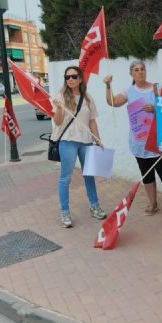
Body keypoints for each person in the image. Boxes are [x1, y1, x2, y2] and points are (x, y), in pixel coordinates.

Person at [103, 61, 162, 215]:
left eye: (142, 69)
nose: (140, 72)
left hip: (157, 141)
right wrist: (108, 85)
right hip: (139, 142)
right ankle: (153, 203)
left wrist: (155, 108)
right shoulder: (129, 91)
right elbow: (113, 102)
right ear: (131, 74)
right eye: (136, 70)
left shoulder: (157, 88)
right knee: (146, 174)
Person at [52, 66, 106, 228]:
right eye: (67, 77)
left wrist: (98, 140)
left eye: (74, 76)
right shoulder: (61, 96)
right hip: (68, 141)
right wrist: (60, 108)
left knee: (89, 175)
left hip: (86, 141)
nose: (70, 80)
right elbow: (58, 122)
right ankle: (65, 212)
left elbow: (92, 121)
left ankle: (95, 206)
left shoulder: (87, 98)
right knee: (65, 178)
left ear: (81, 79)